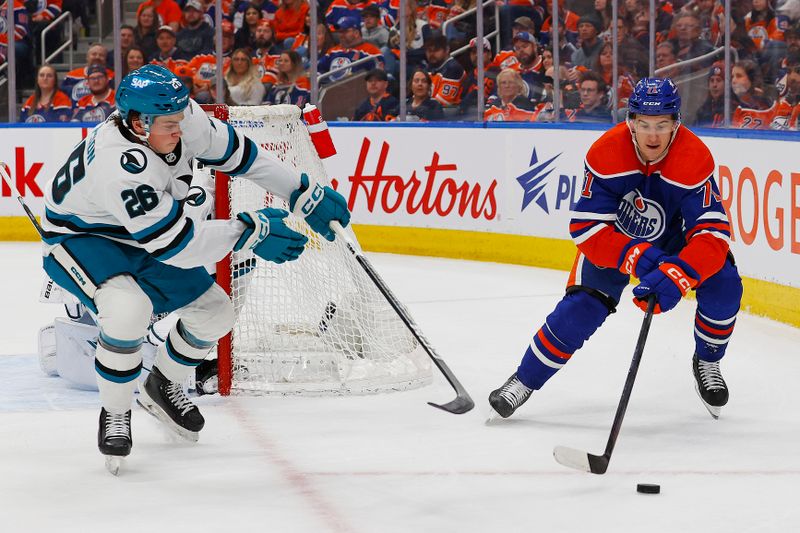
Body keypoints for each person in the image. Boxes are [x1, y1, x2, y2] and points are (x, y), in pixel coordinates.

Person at [40, 64, 351, 468]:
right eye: (170, 124)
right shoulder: (122, 166)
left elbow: (243, 155)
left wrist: (300, 193)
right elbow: (176, 246)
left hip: (141, 233)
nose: (181, 131)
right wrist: (248, 231)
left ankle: (162, 382)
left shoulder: (182, 117)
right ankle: (116, 410)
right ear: (138, 123)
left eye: (181, 118)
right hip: (82, 239)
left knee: (216, 312)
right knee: (128, 312)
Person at [489, 78, 740, 422]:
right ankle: (524, 379)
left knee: (725, 284)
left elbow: (712, 233)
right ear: (631, 122)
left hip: (674, 244)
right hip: (616, 240)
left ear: (676, 124)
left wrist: (678, 273)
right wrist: (636, 256)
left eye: (662, 126)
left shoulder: (694, 157)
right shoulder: (606, 151)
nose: (653, 136)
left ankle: (708, 360)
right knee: (581, 309)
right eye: (645, 125)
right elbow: (587, 228)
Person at [423, 31, 465, 106]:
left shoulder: (453, 68)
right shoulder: (428, 67)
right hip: (430, 111)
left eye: (436, 50)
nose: (432, 54)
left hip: (451, 114)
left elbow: (441, 103)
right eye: (429, 51)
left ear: (447, 50)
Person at [694, 62, 725, 127]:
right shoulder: (702, 110)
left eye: (718, 80)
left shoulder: (731, 108)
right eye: (711, 81)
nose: (714, 85)